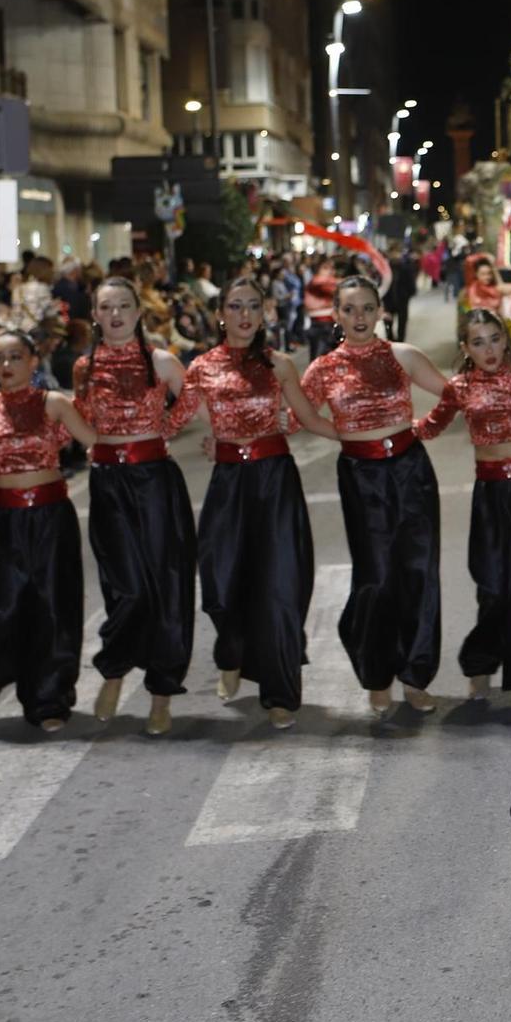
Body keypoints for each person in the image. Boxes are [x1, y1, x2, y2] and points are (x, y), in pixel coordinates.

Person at [165, 278, 338, 725]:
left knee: (280, 587)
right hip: (228, 485)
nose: (244, 315)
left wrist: (373, 436)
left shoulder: (279, 365)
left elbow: (307, 417)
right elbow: (173, 420)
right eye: (235, 305)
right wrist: (115, 441)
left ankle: (280, 690)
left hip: (275, 481)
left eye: (253, 306)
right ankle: (233, 655)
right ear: (221, 313)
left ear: (265, 314)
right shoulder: (201, 367)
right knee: (221, 586)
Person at [301, 275, 453, 713]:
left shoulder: (403, 356)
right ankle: (378, 673)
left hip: (411, 471)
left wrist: (428, 427)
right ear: (336, 315)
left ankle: (416, 675)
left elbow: (453, 394)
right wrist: (346, 435)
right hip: (361, 477)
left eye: (368, 307)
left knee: (420, 572)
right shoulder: (324, 368)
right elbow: (298, 416)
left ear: (381, 311)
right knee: (377, 576)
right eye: (349, 309)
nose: (359, 317)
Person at [0, 330, 100, 729]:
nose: (6, 366)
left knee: (54, 610)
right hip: (5, 521)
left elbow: (97, 444)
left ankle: (48, 702)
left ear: (32, 361)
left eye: (14, 357)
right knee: (2, 610)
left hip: (51, 518)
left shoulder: (55, 404)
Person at [414, 309, 511, 704]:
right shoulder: (459, 387)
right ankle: (482, 662)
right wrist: (383, 427)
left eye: (494, 338)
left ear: (506, 338)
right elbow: (430, 426)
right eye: (478, 342)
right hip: (489, 494)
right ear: (465, 347)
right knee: (493, 586)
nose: (489, 349)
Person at [72, 279, 195, 734]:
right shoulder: (84, 366)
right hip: (107, 484)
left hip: (155, 482)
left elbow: (193, 397)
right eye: (107, 307)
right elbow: (84, 418)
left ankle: (162, 693)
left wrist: (162, 428)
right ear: (96, 314)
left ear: (139, 311)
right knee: (124, 586)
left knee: (166, 586)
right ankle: (115, 669)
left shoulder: (161, 360)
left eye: (124, 305)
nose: (116, 314)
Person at [384, 243, 418, 341]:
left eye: (396, 252)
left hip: (402, 299)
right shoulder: (385, 267)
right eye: (392, 252)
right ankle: (390, 340)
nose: (394, 255)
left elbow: (410, 281)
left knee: (402, 322)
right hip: (389, 300)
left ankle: (400, 340)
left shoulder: (405, 266)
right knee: (388, 322)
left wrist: (409, 293)